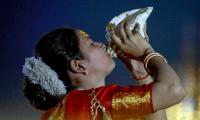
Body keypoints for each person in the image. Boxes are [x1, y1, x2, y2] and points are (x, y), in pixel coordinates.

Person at [22, 22, 186, 120]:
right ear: (79, 66)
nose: (101, 44)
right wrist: (146, 52)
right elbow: (174, 90)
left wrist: (141, 74)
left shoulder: (75, 106)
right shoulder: (86, 102)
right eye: (92, 44)